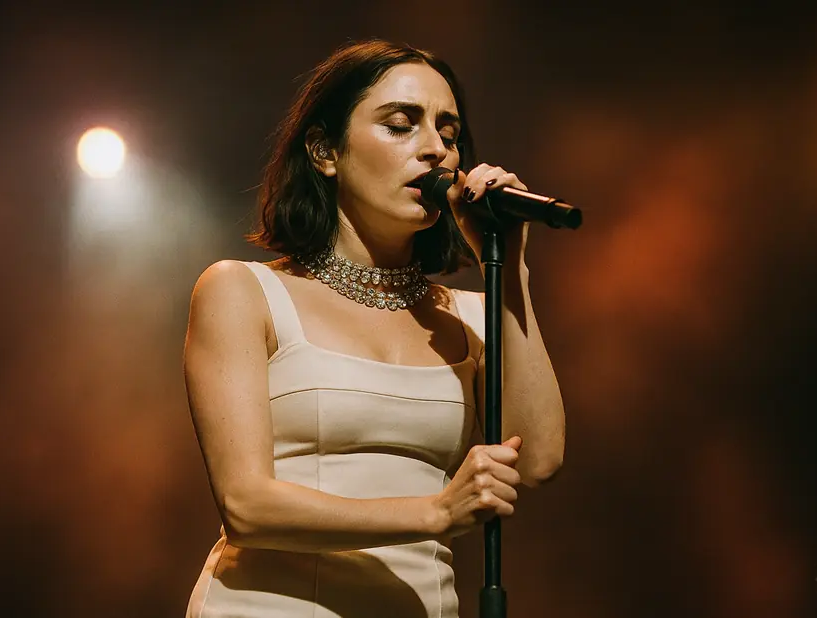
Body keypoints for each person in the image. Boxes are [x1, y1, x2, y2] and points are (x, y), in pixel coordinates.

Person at [182, 38, 566, 618]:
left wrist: (509, 263)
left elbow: (536, 460)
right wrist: (435, 512)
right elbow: (246, 505)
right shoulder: (242, 291)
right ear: (324, 151)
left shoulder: (468, 316)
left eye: (449, 131)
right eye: (401, 124)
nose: (436, 149)